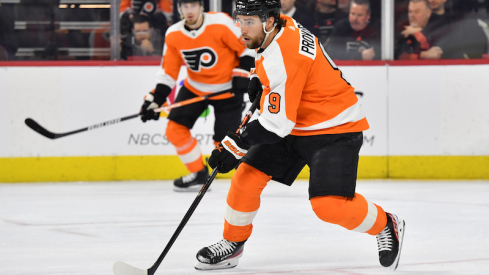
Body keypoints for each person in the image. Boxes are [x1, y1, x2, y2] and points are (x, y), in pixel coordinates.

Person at [195, 0, 405, 271]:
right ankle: (232, 243)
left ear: (269, 21)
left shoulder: (284, 55)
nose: (242, 28)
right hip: (295, 121)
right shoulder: (282, 26)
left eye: (250, 21)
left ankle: (386, 224)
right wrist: (257, 78)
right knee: (245, 179)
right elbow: (274, 73)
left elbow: (275, 124)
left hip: (335, 127)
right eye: (240, 19)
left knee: (329, 206)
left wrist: (236, 145)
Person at [139, 0, 255, 191]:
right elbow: (169, 72)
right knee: (174, 131)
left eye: (193, 5)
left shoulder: (220, 23)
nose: (189, 11)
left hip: (227, 89)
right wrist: (155, 100)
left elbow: (247, 46)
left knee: (225, 143)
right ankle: (199, 173)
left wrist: (243, 75)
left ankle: (250, 177)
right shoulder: (174, 34)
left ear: (201, 7)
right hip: (195, 88)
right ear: (179, 9)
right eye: (185, 6)